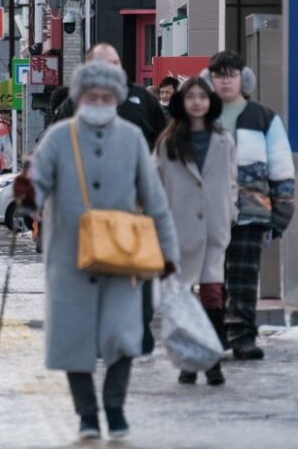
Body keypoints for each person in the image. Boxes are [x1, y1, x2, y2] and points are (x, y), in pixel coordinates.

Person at [16, 60, 179, 441]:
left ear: (118, 97)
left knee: (122, 336)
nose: (99, 102)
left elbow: (155, 200)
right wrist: (26, 194)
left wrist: (168, 253)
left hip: (124, 254)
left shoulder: (132, 138)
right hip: (68, 256)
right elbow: (36, 188)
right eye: (92, 95)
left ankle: (115, 407)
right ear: (80, 97)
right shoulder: (59, 137)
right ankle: (86, 413)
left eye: (107, 96)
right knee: (74, 339)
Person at [53, 43, 167, 354]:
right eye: (106, 64)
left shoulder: (142, 98)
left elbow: (164, 139)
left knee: (139, 268)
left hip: (136, 203)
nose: (114, 68)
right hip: (89, 207)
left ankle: (140, 331)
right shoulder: (75, 105)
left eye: (117, 62)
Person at [205, 51, 295, 360]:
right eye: (219, 74)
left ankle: (243, 335)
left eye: (231, 74)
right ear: (209, 79)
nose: (225, 80)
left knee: (243, 279)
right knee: (211, 279)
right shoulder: (199, 114)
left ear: (243, 78)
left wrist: (281, 213)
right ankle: (212, 336)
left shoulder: (263, 117)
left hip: (251, 211)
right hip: (207, 213)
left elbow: (281, 167)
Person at [152, 77, 237, 386]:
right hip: (180, 230)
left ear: (210, 102)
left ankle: (213, 360)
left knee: (213, 297)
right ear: (182, 103)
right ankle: (188, 361)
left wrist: (231, 212)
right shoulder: (168, 142)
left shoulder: (223, 140)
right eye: (192, 97)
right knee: (184, 299)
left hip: (214, 229)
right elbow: (155, 186)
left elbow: (231, 180)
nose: (198, 102)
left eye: (203, 96)